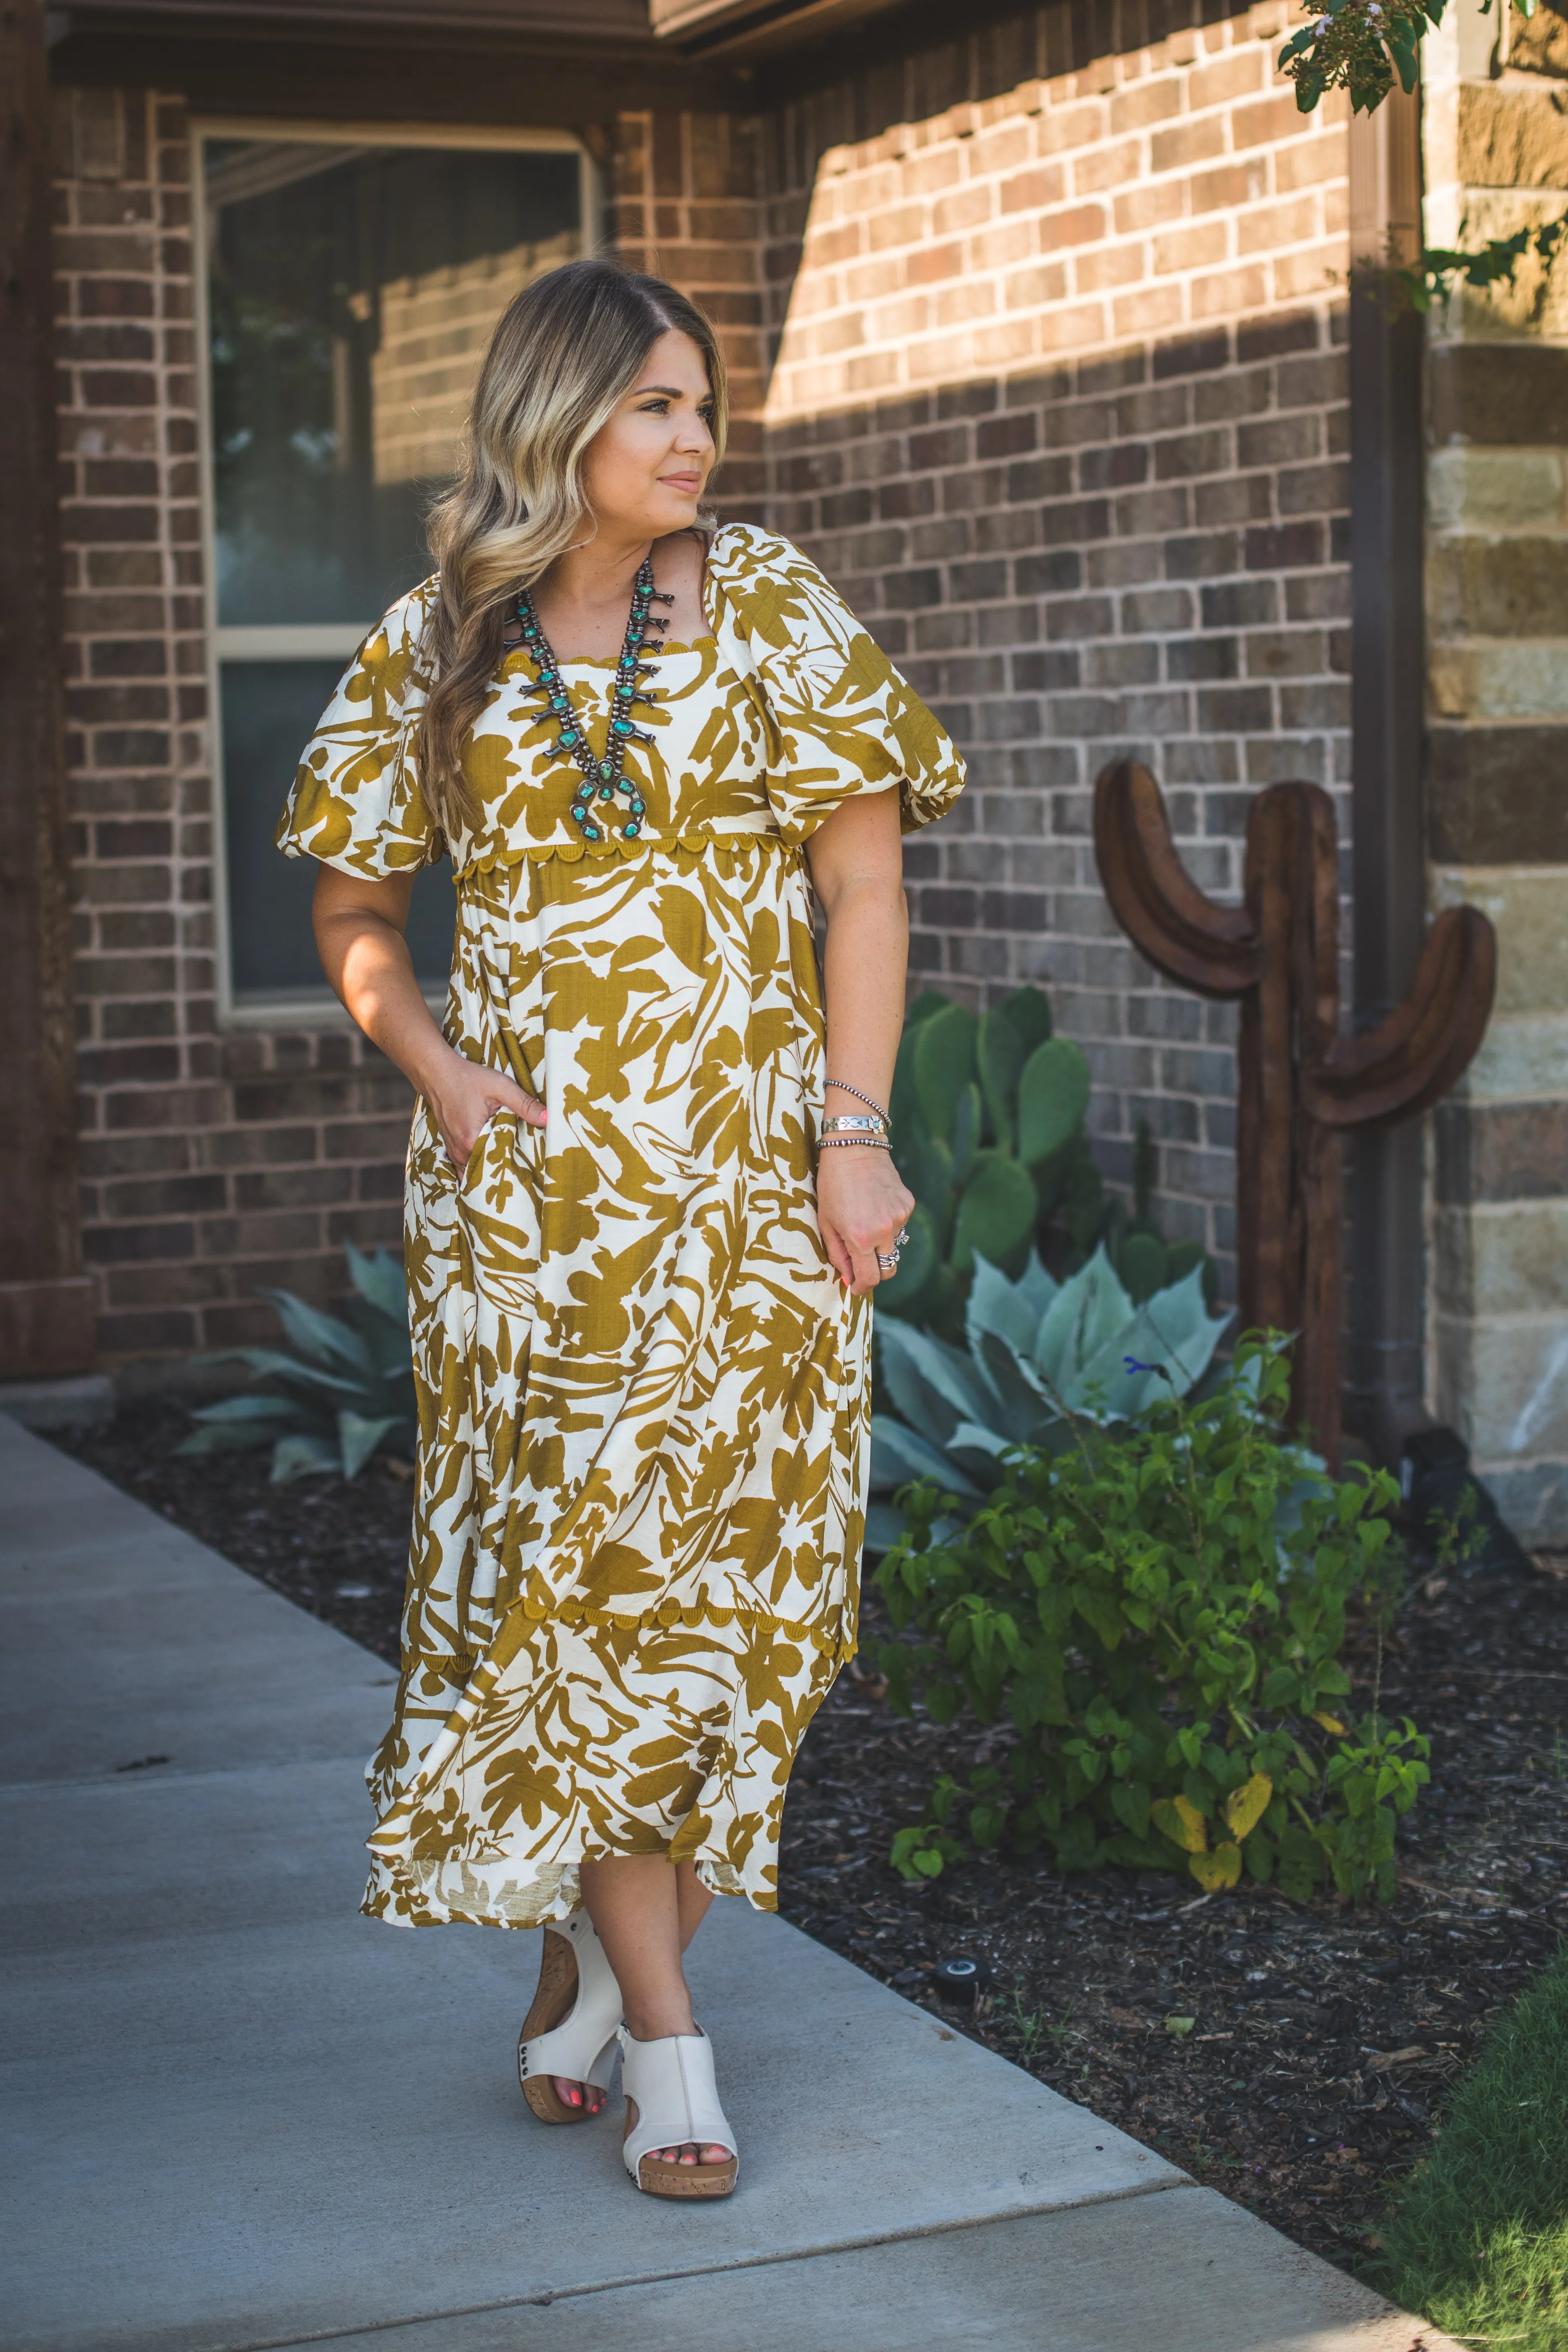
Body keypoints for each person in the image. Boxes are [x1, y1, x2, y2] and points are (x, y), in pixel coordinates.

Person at [277, 257, 964, 2199]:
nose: (694, 438)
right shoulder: (444, 640)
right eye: (655, 402)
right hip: (531, 1217)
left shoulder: (768, 610)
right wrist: (430, 1066)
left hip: (749, 1194)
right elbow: (352, 911)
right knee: (576, 1607)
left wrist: (854, 1134)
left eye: (703, 403)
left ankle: (583, 1962)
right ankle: (672, 2044)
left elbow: (862, 893)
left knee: (747, 1609)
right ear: (559, 414)